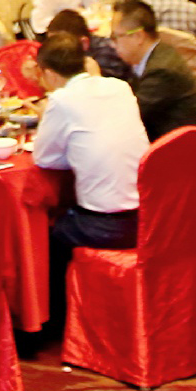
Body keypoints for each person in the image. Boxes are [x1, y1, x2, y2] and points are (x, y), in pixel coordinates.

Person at [29, 32, 151, 344]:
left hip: (107, 226)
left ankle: (52, 325)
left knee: (48, 235)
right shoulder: (120, 87)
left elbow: (44, 158)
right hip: (149, 217)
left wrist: (49, 123)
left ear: (49, 74)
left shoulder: (61, 100)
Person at [109, 0, 196, 137]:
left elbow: (129, 117)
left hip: (188, 145)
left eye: (115, 37)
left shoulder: (161, 71)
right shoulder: (157, 53)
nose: (112, 44)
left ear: (138, 36)